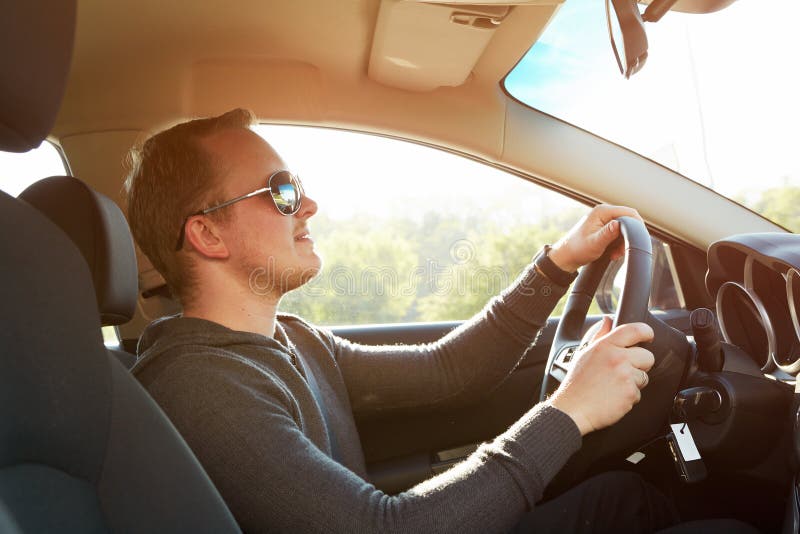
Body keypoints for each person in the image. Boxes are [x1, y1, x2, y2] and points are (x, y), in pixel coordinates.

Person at [126, 108, 673, 533]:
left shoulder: (290, 338)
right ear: (208, 235)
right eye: (281, 191)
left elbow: (450, 371)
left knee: (627, 497)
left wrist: (557, 266)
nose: (308, 204)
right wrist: (572, 409)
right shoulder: (197, 386)